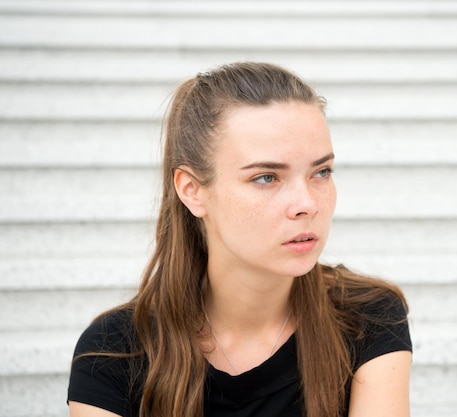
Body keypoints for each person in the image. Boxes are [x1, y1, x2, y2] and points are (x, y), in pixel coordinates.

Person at [67, 62, 412, 417]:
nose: (307, 204)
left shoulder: (367, 316)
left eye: (321, 172)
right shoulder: (114, 352)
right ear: (192, 190)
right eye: (266, 178)